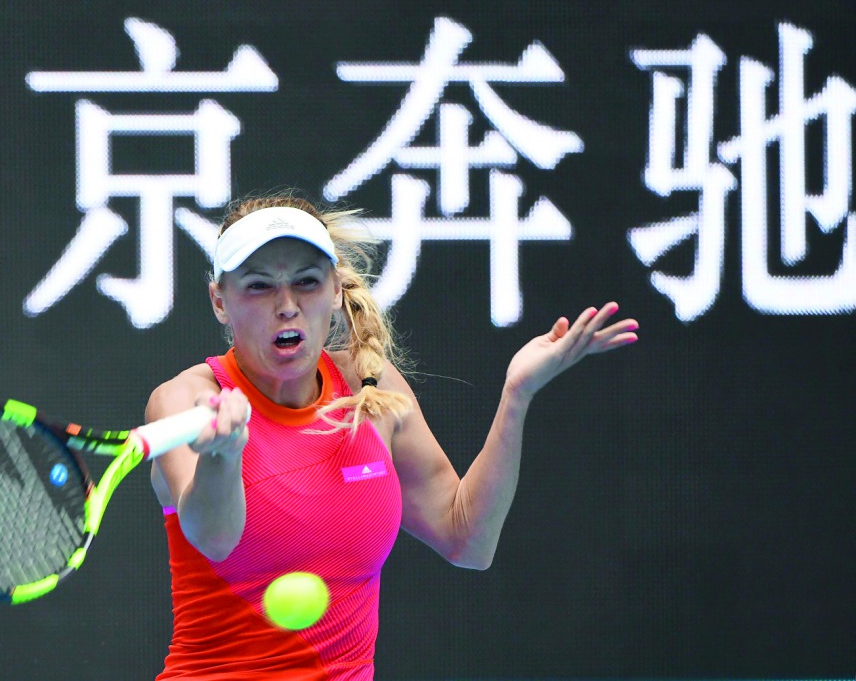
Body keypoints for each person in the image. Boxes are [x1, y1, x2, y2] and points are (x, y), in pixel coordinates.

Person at [148, 193, 639, 680]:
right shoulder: (186, 401)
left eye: (307, 282)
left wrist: (517, 394)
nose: (287, 306)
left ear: (336, 289)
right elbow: (213, 540)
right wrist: (223, 454)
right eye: (258, 287)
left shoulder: (370, 387)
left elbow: (467, 539)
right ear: (219, 301)